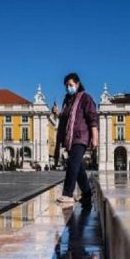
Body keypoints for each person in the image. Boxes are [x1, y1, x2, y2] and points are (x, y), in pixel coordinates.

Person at [54, 72, 98, 205]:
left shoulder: (86, 98)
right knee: (78, 167)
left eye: (70, 85)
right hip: (70, 138)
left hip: (80, 137)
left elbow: (92, 118)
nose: (68, 88)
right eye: (66, 86)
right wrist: (58, 114)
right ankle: (87, 194)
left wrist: (95, 137)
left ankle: (67, 193)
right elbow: (67, 118)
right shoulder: (68, 101)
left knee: (72, 164)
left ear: (77, 84)